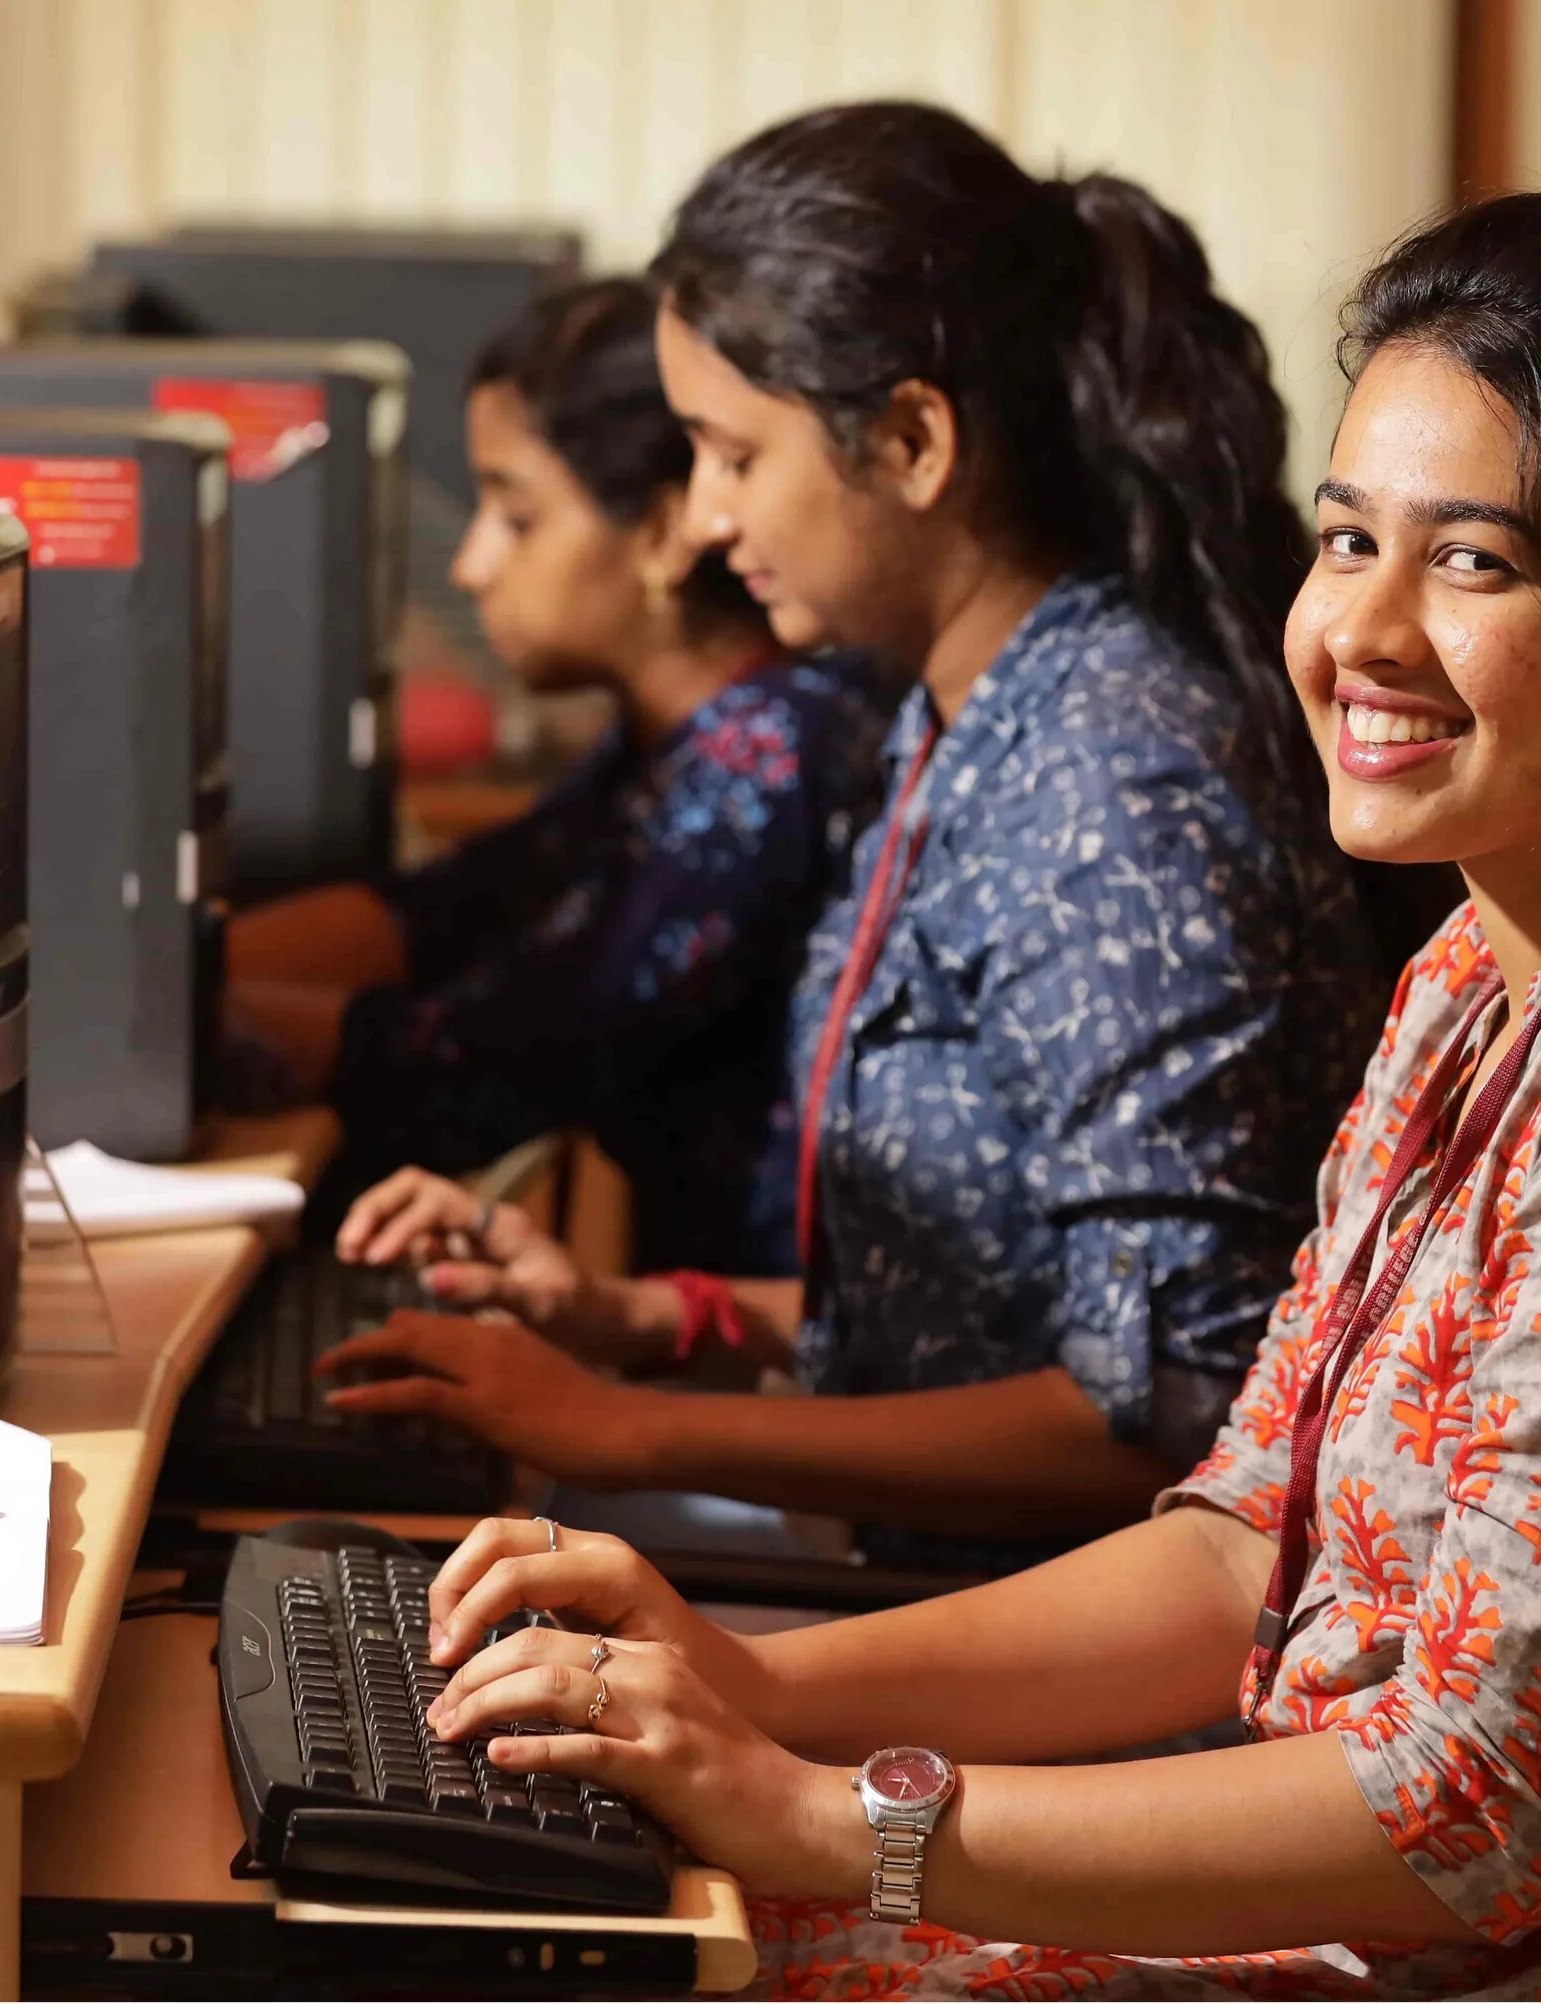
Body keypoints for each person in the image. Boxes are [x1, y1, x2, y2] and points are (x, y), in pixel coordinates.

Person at [396, 192, 1541, 1997]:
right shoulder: (1485, 966)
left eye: (1478, 563)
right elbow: (1242, 1543)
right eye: (1348, 540)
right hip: (1381, 1919)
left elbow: (1473, 1810)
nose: (1367, 631)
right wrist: (753, 1683)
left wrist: (831, 1821)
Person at [322, 102, 1378, 1572]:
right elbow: (976, 1313)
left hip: (1046, 1677)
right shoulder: (956, 713)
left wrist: (637, 1425)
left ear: (910, 441)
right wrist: (649, 1318)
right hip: (911, 1581)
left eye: (731, 455)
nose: (698, 516)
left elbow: (1168, 1410)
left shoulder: (1110, 782)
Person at [228, 277, 884, 1276]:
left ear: (663, 532)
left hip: (774, 1384)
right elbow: (444, 909)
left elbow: (477, 1065)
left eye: (517, 515)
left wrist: (156, 1021)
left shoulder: (767, 761)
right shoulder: (675, 745)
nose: (472, 564)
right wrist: (179, 972)